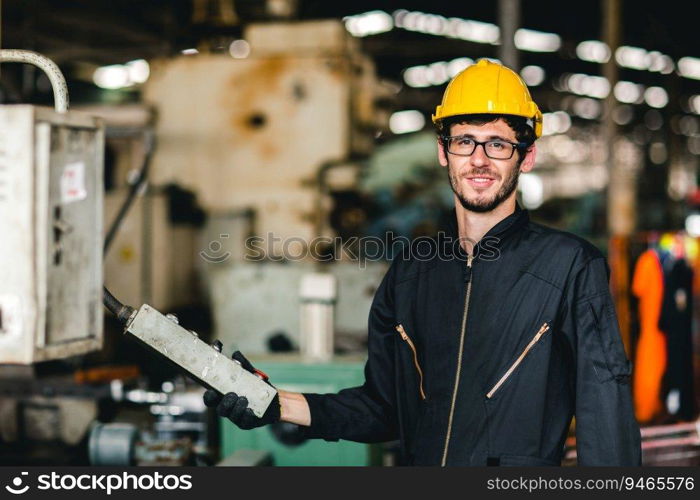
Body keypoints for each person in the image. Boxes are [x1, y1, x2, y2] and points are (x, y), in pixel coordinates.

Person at [204, 59, 642, 466]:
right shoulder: (412, 272)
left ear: (526, 156)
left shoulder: (570, 267)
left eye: (498, 144)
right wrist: (273, 402)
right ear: (443, 151)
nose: (479, 159)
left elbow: (606, 415)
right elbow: (382, 408)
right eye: (465, 140)